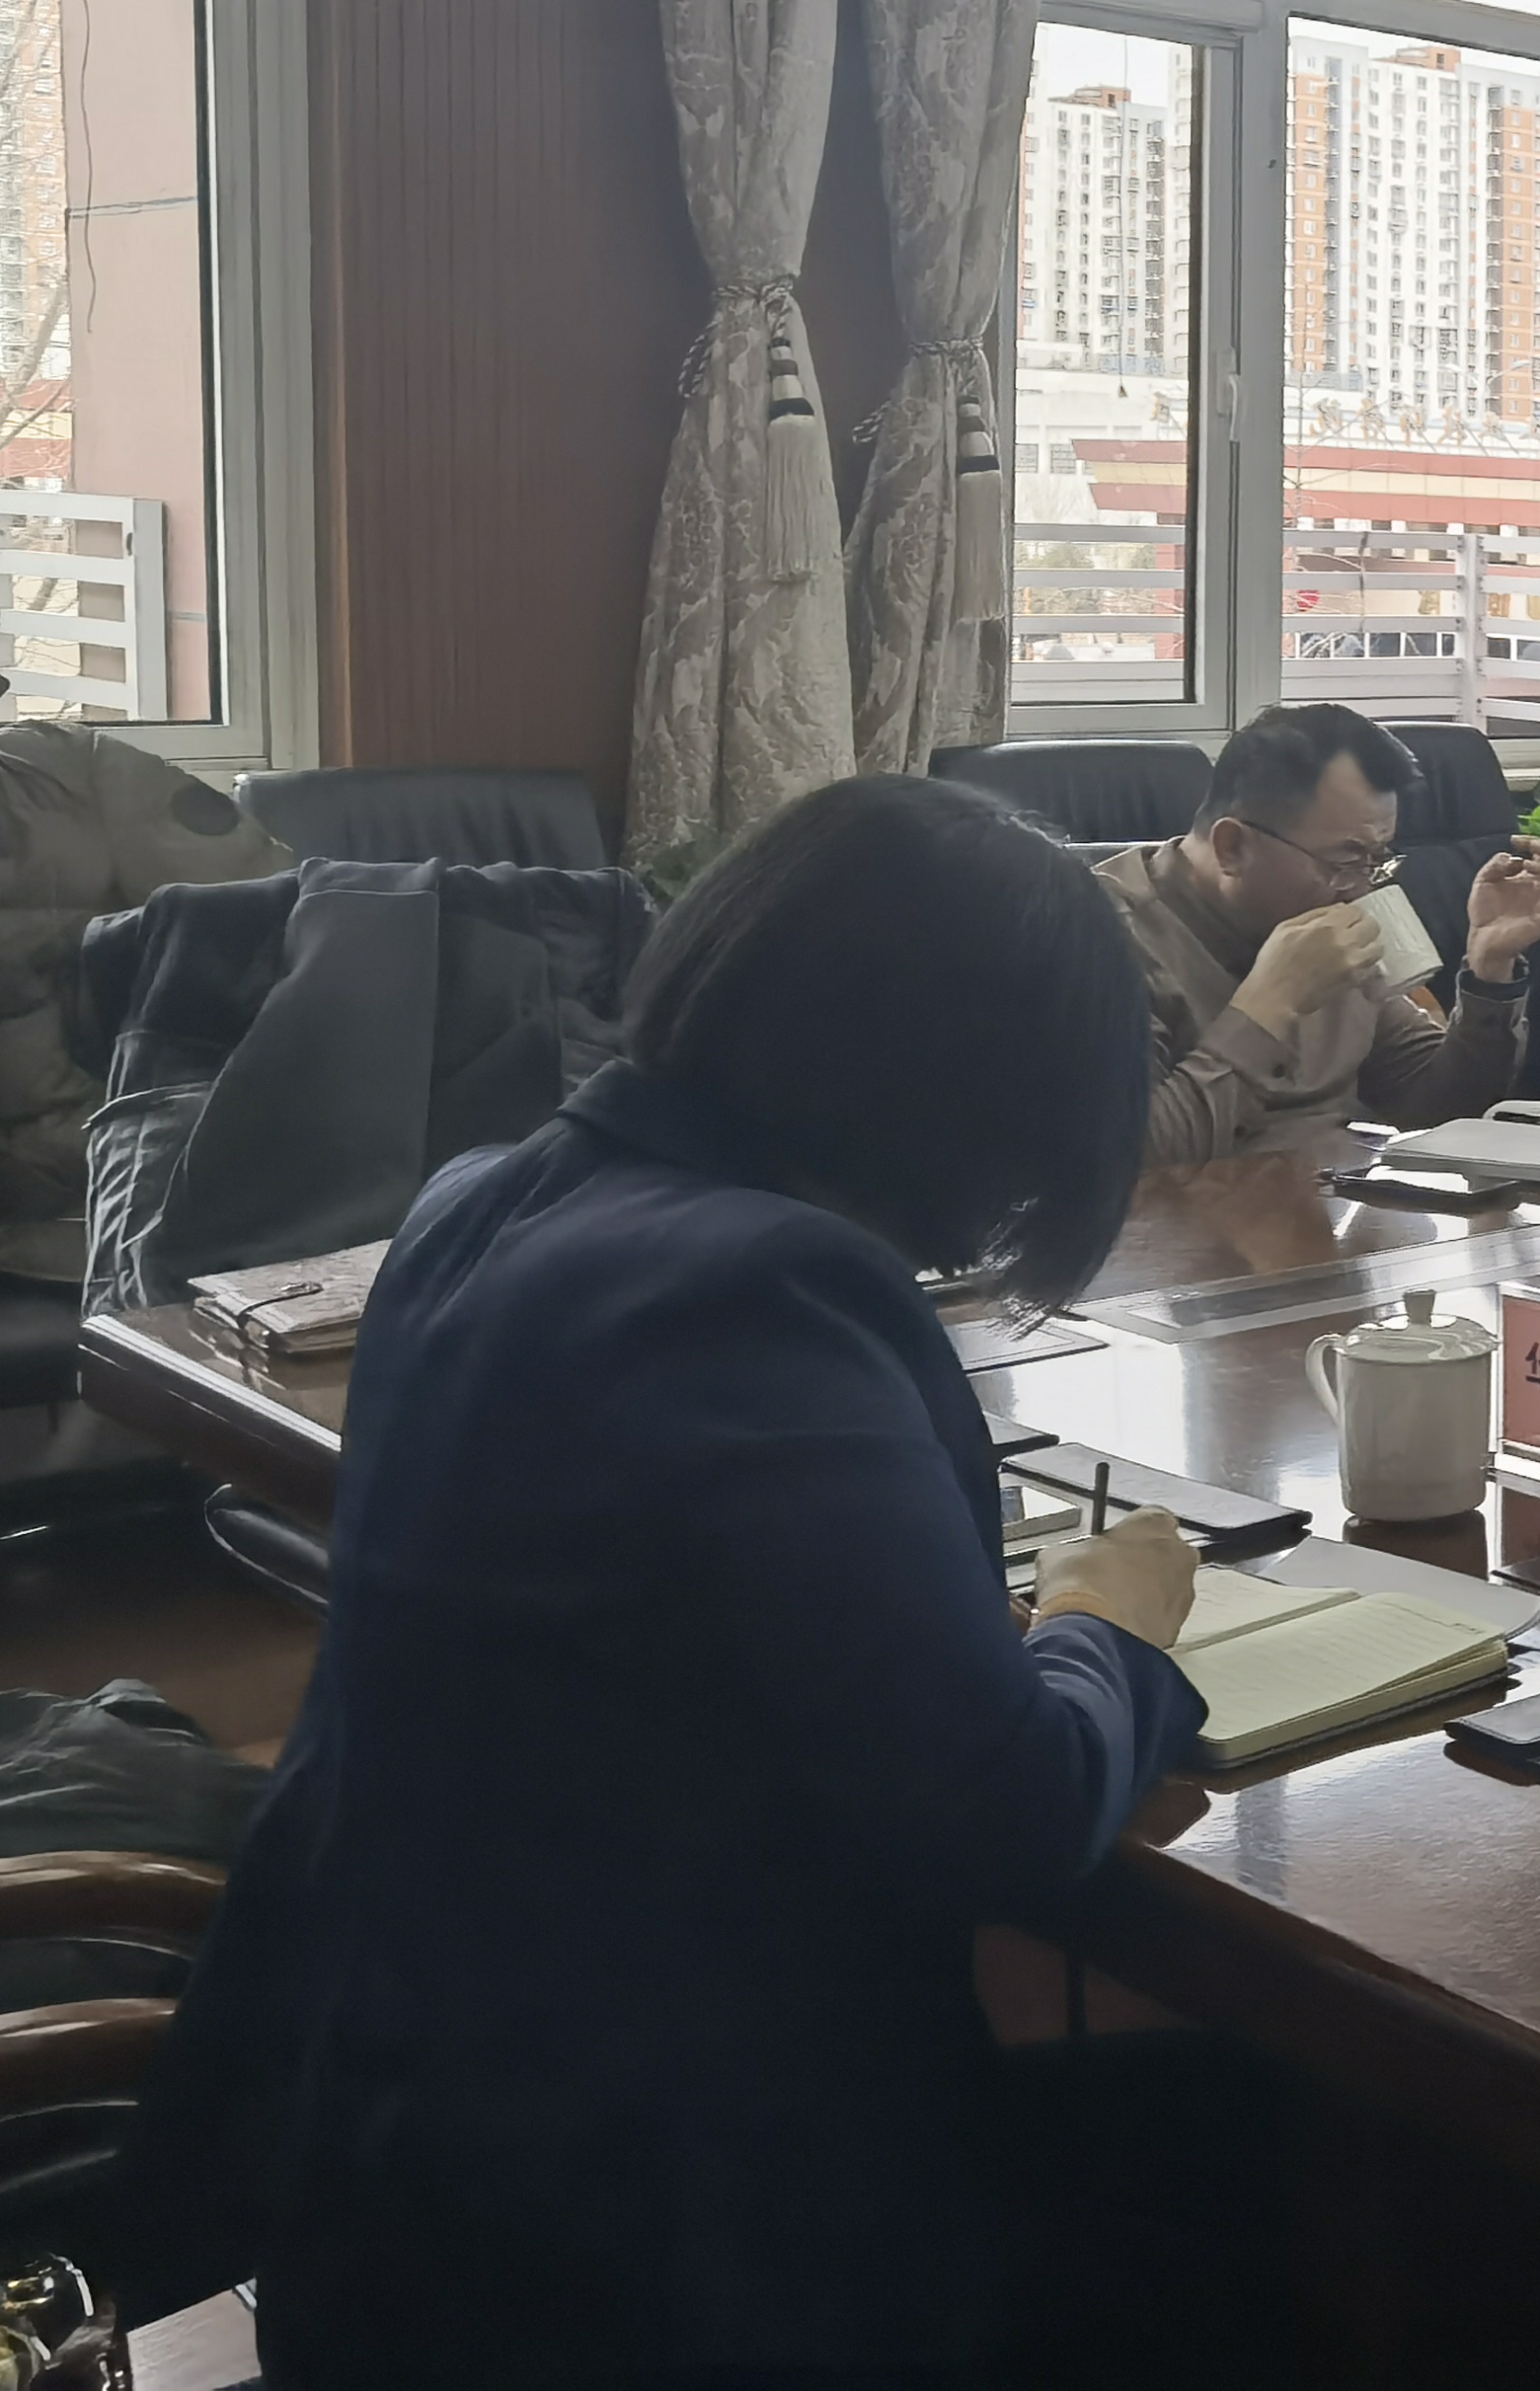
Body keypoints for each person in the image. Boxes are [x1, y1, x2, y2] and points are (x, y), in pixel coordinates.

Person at [121, 776, 1237, 2384]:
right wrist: (1104, 1623)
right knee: (1283, 2163)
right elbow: (1002, 1811)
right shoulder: (767, 1288)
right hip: (643, 2242)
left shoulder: (479, 1201)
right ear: (963, 1101)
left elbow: (666, 1618)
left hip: (390, 2156)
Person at [1098, 705, 1540, 1166]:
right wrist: (1270, 1005)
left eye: (1378, 859)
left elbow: (1432, 1106)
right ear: (1232, 846)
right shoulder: (1099, 938)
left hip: (1340, 1204)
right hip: (1190, 1219)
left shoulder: (1337, 907)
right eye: (1345, 859)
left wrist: (1489, 974)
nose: (1362, 887)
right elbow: (1127, 1160)